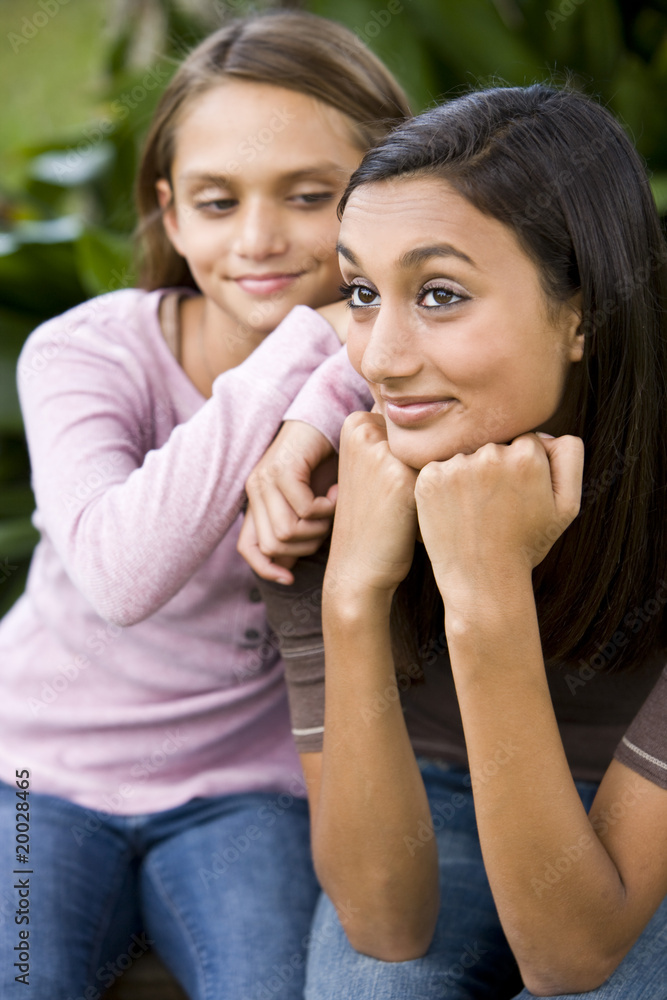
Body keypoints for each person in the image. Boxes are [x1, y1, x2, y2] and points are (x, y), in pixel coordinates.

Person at [0, 11, 410, 998]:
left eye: (310, 197)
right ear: (170, 215)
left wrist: (340, 354)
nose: (259, 240)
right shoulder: (82, 354)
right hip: (31, 775)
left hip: (244, 788)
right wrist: (306, 343)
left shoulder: (402, 369)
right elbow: (119, 573)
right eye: (217, 202)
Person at [240, 84, 667, 999]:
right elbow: (383, 927)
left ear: (582, 309)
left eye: (438, 294)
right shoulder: (317, 484)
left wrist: (485, 597)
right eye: (361, 291)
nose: (378, 358)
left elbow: (569, 960)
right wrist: (351, 593)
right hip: (439, 785)